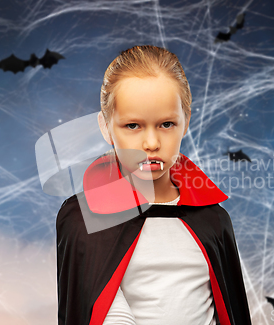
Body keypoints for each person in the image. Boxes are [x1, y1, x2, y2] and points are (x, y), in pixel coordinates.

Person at [56, 45, 252, 325]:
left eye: (167, 124)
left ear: (186, 122)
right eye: (133, 126)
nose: (151, 143)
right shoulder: (84, 218)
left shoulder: (213, 220)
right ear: (105, 127)